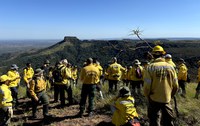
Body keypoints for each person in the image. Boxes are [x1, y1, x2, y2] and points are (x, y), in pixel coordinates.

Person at [143, 45, 179, 126]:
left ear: (153, 55)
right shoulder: (171, 67)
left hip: (153, 98)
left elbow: (147, 86)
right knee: (168, 120)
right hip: (167, 98)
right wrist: (170, 95)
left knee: (154, 120)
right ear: (163, 54)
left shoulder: (150, 67)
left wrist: (147, 95)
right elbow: (176, 85)